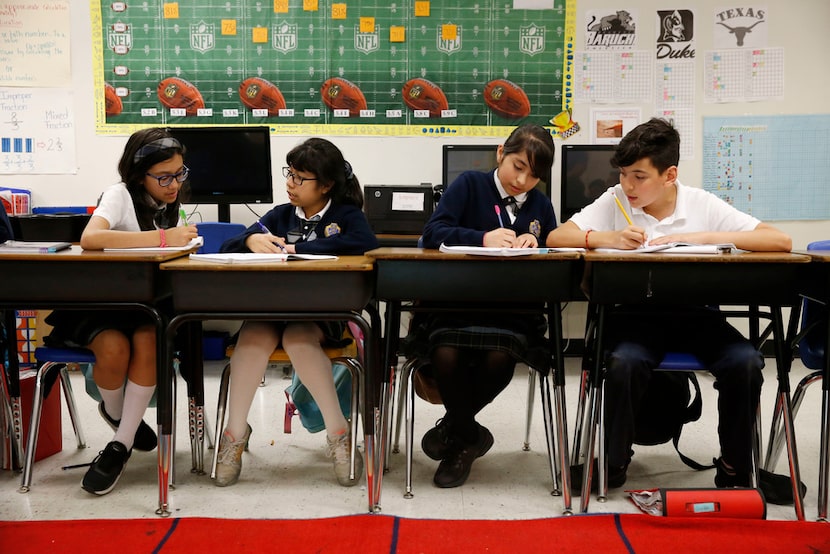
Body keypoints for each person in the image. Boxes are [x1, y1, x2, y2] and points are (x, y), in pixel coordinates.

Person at [545, 117, 801, 503]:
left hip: (697, 317)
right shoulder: (615, 200)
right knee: (624, 362)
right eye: (624, 175)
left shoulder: (700, 202)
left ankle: (734, 467)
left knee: (745, 362)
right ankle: (613, 464)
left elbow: (779, 241)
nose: (628, 186)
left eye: (639, 176)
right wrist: (605, 237)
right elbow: (556, 236)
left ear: (670, 175)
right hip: (634, 317)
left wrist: (697, 237)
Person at [215, 137, 378, 487]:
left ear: (327, 184)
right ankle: (234, 434)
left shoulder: (345, 215)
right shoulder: (279, 214)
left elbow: (364, 242)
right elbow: (226, 245)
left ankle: (339, 434)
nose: (290, 183)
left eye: (300, 178)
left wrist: (298, 246)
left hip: (321, 312)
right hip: (271, 306)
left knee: (299, 340)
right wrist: (249, 241)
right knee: (252, 341)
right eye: (289, 174)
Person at [45, 127, 198, 495]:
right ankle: (116, 413)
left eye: (179, 174)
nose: (174, 184)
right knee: (114, 350)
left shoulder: (168, 203)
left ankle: (119, 445)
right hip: (102, 304)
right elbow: (91, 238)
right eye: (164, 177)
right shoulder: (119, 195)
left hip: (144, 305)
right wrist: (163, 238)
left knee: (150, 342)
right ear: (137, 174)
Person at [413, 123, 557, 488]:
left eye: (534, 175)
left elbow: (553, 249)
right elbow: (433, 233)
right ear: (500, 153)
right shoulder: (469, 185)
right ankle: (469, 436)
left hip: (512, 313)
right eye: (518, 166)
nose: (523, 180)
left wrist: (535, 241)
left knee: (500, 358)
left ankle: (455, 430)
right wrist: (481, 237)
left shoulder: (541, 205)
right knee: (444, 352)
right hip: (455, 303)